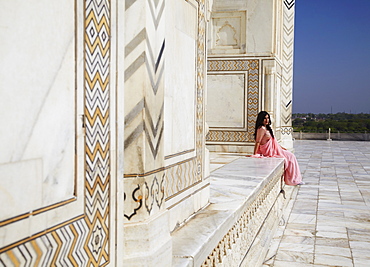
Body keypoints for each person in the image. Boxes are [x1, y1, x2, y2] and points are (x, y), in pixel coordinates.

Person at [251, 111, 303, 186]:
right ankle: (292, 180)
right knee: (290, 157)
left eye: (268, 118)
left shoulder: (267, 128)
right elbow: (258, 142)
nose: (267, 120)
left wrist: (281, 148)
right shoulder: (261, 128)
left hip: (274, 149)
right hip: (269, 151)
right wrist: (255, 154)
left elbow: (273, 141)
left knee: (291, 156)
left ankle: (294, 179)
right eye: (264, 118)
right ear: (261, 119)